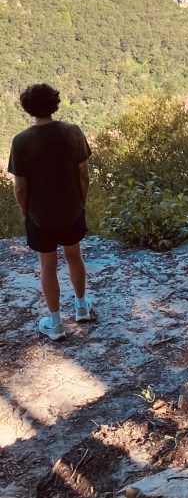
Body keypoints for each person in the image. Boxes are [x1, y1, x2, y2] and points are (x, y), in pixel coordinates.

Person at [8, 83, 93, 341]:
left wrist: (26, 213)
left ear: (28, 108)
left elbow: (20, 187)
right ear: (55, 103)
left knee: (47, 266)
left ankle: (55, 323)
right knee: (74, 257)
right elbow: (84, 175)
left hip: (40, 216)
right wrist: (81, 202)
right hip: (71, 209)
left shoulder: (21, 141)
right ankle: (81, 307)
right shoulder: (72, 132)